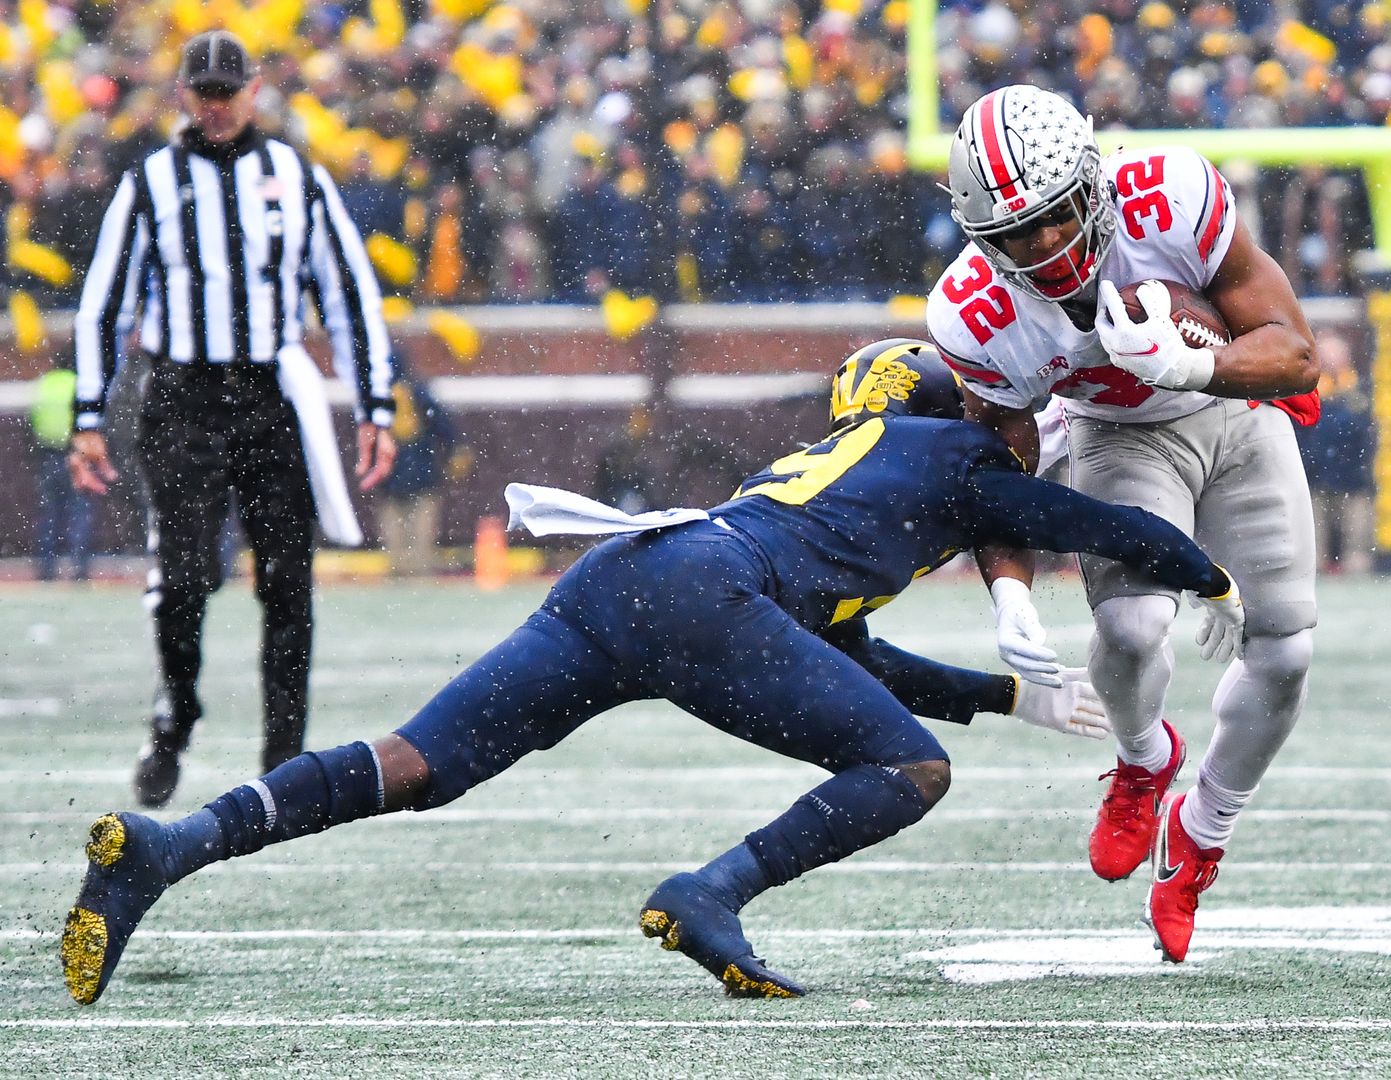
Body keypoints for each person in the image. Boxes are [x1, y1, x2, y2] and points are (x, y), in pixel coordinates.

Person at [61, 339, 1242, 1005]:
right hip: (711, 598)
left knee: (418, 763)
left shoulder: (848, 470)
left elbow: (845, 651)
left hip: (640, 571)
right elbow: (1103, 527)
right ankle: (711, 891)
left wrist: (1002, 695)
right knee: (910, 769)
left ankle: (172, 848)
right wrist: (1209, 577)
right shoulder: (955, 454)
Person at [927, 85, 1321, 963]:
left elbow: (1296, 350)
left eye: (1058, 216)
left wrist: (1200, 362)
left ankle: (1201, 834)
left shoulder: (1173, 194)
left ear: (1094, 183)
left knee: (1287, 653)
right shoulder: (977, 314)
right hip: (1118, 437)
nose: (1048, 247)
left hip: (1236, 416)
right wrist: (1010, 595)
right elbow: (996, 467)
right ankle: (1144, 758)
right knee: (1133, 627)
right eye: (1017, 235)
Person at [65, 30, 397, 807]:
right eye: (204, 92)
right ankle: (176, 714)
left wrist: (375, 404)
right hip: (181, 399)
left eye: (229, 91)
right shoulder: (151, 182)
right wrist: (88, 413)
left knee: (288, 584)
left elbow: (347, 293)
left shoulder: (295, 177)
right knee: (182, 582)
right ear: (185, 95)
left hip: (272, 398)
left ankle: (285, 760)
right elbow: (103, 304)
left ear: (254, 90)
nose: (217, 106)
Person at [379, 369, 468, 577]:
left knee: (417, 548)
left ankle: (413, 583)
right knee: (399, 549)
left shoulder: (418, 396)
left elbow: (444, 428)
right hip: (398, 481)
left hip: (418, 479)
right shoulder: (385, 398)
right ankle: (407, 584)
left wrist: (455, 449)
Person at [1299, 332, 1373, 575]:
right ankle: (1316, 565)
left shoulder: (1356, 387)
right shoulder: (1307, 385)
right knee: (1313, 529)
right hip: (1315, 473)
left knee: (1357, 532)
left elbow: (1362, 425)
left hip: (1352, 474)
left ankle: (1357, 567)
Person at [30, 366, 94, 581]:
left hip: (49, 455)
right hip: (77, 454)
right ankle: (79, 567)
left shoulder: (47, 384)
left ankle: (46, 567)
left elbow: (35, 418)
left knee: (51, 514)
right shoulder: (79, 383)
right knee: (80, 513)